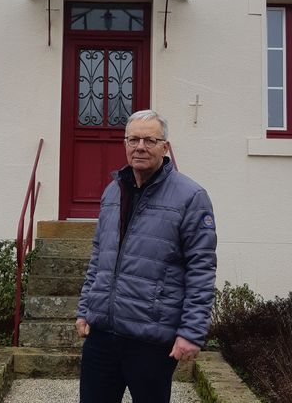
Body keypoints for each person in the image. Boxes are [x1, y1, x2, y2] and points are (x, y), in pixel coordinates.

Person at [76, 109, 217, 403]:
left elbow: (201, 269)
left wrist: (191, 332)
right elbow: (99, 256)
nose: (140, 147)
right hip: (103, 335)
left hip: (151, 339)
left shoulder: (191, 197)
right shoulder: (112, 192)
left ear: (164, 147)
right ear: (125, 144)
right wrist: (86, 308)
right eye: (134, 139)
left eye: (150, 140)